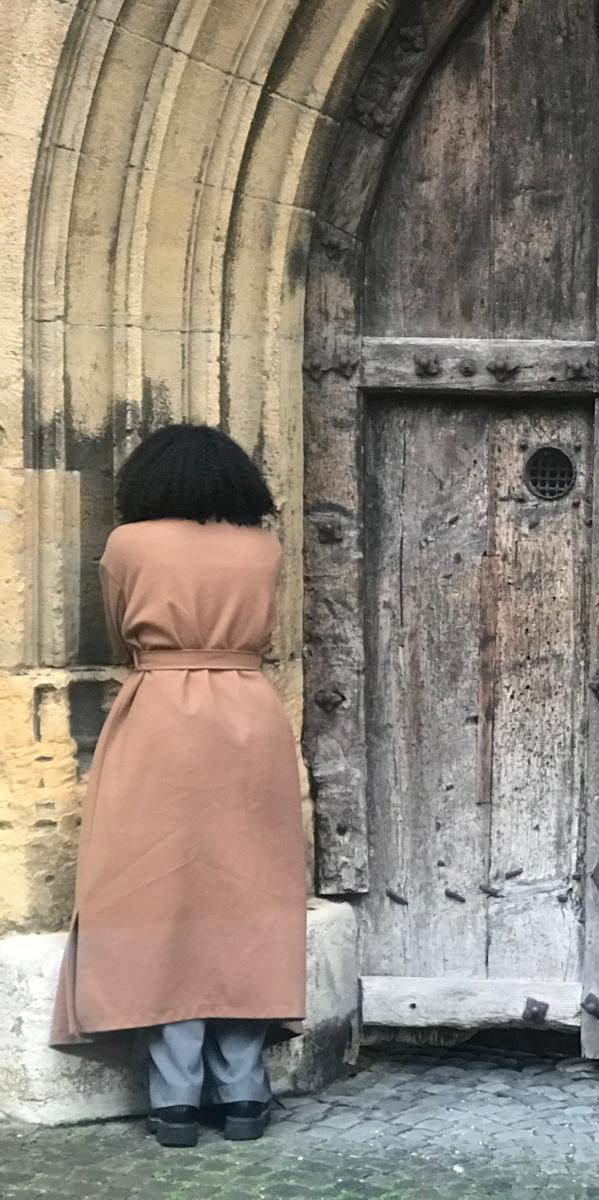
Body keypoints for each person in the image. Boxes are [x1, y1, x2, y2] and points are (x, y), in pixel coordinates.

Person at [50, 424, 306, 1148]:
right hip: (249, 720)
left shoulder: (127, 545)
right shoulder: (263, 548)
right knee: (249, 900)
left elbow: (118, 633)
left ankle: (175, 1101)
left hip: (157, 716)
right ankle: (244, 1092)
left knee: (154, 898)